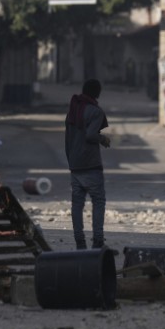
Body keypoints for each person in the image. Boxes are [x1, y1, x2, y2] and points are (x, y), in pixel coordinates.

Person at [64, 79, 111, 250]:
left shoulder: (73, 111)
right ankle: (98, 242)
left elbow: (68, 139)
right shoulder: (95, 112)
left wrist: (71, 161)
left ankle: (80, 243)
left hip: (75, 165)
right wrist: (103, 139)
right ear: (97, 93)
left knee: (77, 204)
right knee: (98, 201)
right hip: (90, 165)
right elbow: (90, 135)